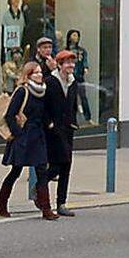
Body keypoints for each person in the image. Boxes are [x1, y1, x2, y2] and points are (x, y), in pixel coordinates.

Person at [0, 62, 56, 221]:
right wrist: (19, 134)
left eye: (40, 72)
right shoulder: (22, 91)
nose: (39, 75)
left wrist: (49, 123)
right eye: (35, 73)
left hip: (38, 136)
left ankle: (46, 208)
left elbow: (42, 114)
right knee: (15, 172)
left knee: (42, 171)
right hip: (24, 137)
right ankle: (1, 204)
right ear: (28, 75)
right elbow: (10, 115)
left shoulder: (42, 92)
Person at [45, 50, 80, 217]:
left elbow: (73, 104)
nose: (71, 65)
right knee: (58, 164)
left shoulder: (74, 83)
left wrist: (74, 122)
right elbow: (44, 106)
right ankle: (41, 185)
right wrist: (49, 123)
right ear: (59, 65)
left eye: (72, 62)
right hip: (54, 129)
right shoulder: (51, 81)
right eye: (67, 63)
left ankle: (61, 203)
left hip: (68, 128)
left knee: (66, 166)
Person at [65, 30, 91, 123]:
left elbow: (85, 60)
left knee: (83, 96)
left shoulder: (82, 51)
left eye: (77, 36)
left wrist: (85, 67)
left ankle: (88, 118)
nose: (76, 38)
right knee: (70, 97)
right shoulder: (66, 51)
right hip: (68, 77)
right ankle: (71, 119)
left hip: (79, 76)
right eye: (74, 35)